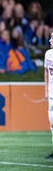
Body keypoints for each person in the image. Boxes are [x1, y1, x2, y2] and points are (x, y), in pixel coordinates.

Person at [44, 30, 53, 159]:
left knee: (52, 123)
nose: (50, 40)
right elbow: (46, 72)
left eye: (52, 38)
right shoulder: (48, 54)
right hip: (51, 94)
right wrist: (46, 90)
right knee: (51, 125)